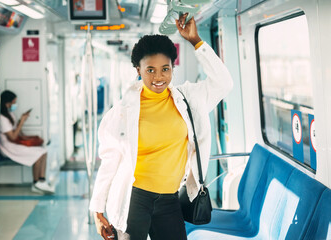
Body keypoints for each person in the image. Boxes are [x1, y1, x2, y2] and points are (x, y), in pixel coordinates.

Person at [90, 13, 233, 240]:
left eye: (165, 69)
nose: (158, 77)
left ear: (172, 68)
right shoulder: (122, 111)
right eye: (150, 70)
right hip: (133, 198)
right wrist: (97, 210)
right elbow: (110, 161)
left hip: (169, 198)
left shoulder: (188, 100)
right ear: (138, 70)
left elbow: (224, 83)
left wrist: (196, 41)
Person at [0, 90, 54, 194]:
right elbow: (12, 138)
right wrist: (22, 121)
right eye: (14, 102)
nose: (15, 105)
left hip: (15, 144)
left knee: (43, 151)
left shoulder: (10, 114)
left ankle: (42, 180)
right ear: (7, 103)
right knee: (38, 154)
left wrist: (20, 123)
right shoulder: (2, 118)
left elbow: (18, 133)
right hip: (8, 147)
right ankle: (36, 182)